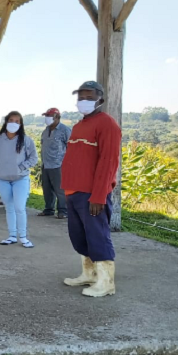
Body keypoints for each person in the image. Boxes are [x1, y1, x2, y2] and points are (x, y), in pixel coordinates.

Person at [61, 81, 121, 298]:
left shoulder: (107, 125)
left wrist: (99, 195)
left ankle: (106, 283)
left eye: (89, 97)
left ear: (100, 100)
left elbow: (108, 162)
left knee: (98, 236)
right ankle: (89, 274)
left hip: (92, 194)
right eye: (80, 97)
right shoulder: (79, 126)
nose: (83, 101)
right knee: (80, 236)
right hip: (73, 192)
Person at [0, 112, 38, 248]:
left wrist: (22, 167)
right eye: (11, 120)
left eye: (17, 121)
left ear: (21, 124)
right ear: (6, 122)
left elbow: (34, 157)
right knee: (9, 207)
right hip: (3, 179)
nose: (14, 123)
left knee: (19, 207)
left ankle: (23, 236)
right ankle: (12, 235)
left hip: (20, 179)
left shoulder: (26, 140)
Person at [39, 108, 72, 219]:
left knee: (60, 190)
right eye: (46, 116)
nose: (47, 118)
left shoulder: (64, 130)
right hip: (46, 164)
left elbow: (71, 148)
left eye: (49, 116)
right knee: (47, 189)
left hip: (59, 165)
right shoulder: (45, 131)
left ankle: (63, 211)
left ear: (57, 117)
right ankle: (49, 209)